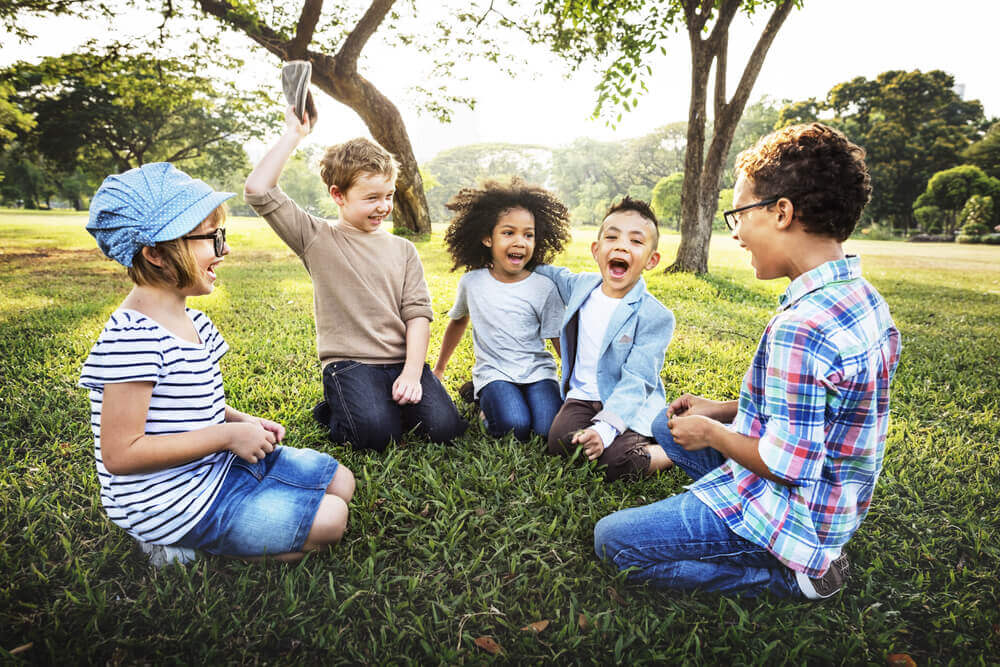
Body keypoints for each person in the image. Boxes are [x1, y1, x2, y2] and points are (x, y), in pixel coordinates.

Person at [593, 123, 902, 599]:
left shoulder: (803, 326)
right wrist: (720, 410)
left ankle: (791, 577)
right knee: (663, 423)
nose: (735, 234)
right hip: (834, 502)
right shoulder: (861, 298)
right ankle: (726, 507)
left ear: (781, 212)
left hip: (794, 513)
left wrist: (713, 433)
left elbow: (790, 467)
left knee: (614, 541)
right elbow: (822, 409)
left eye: (738, 215)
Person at [80, 163, 354, 565]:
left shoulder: (193, 321)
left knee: (341, 483)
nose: (224, 251)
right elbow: (122, 453)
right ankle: (187, 550)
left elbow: (186, 406)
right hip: (171, 502)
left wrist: (240, 422)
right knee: (332, 520)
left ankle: (233, 524)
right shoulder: (134, 338)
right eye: (212, 238)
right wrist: (225, 438)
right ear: (155, 253)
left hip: (214, 468)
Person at [243, 106, 467, 452]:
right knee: (375, 436)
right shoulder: (316, 237)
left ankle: (385, 402)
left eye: (389, 195)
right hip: (350, 365)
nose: (383, 206)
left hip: (400, 361)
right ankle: (336, 407)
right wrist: (295, 134)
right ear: (338, 195)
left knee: (445, 429)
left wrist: (411, 373)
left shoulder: (404, 249)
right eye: (372, 198)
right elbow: (258, 190)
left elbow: (417, 316)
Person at [533, 197, 675, 482]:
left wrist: (605, 429)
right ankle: (599, 437)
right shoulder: (581, 286)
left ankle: (671, 450)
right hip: (582, 398)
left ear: (651, 260)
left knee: (615, 461)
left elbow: (638, 380)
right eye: (612, 237)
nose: (621, 246)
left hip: (628, 402)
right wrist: (510, 258)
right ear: (597, 251)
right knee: (560, 443)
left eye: (636, 241)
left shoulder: (655, 315)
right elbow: (546, 271)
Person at [432, 178, 570, 442]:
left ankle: (491, 398)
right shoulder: (472, 282)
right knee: (514, 426)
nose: (520, 241)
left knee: (545, 430)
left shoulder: (544, 287)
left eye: (528, 234)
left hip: (538, 372)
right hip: (495, 372)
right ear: (487, 238)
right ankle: (485, 404)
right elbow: (458, 322)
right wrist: (440, 368)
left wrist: (577, 380)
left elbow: (556, 337)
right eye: (509, 233)